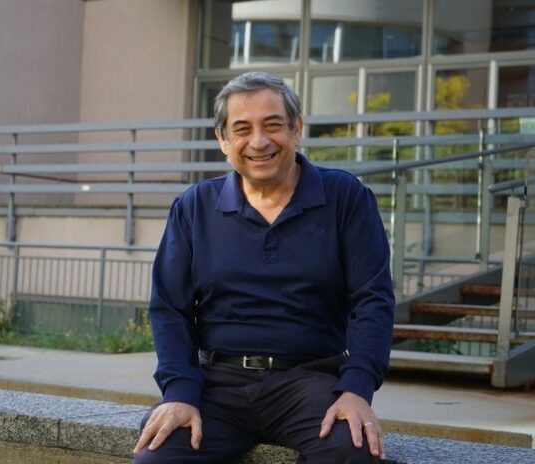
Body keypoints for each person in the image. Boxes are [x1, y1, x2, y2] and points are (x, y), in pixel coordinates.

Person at [133, 72, 395, 463]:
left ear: (296, 129)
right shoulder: (194, 207)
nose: (259, 141)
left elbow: (372, 299)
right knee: (158, 457)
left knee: (352, 451)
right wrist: (179, 392)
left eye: (272, 125)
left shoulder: (346, 197)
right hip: (216, 386)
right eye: (242, 129)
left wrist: (356, 389)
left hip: (311, 382)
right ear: (223, 140)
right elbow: (170, 307)